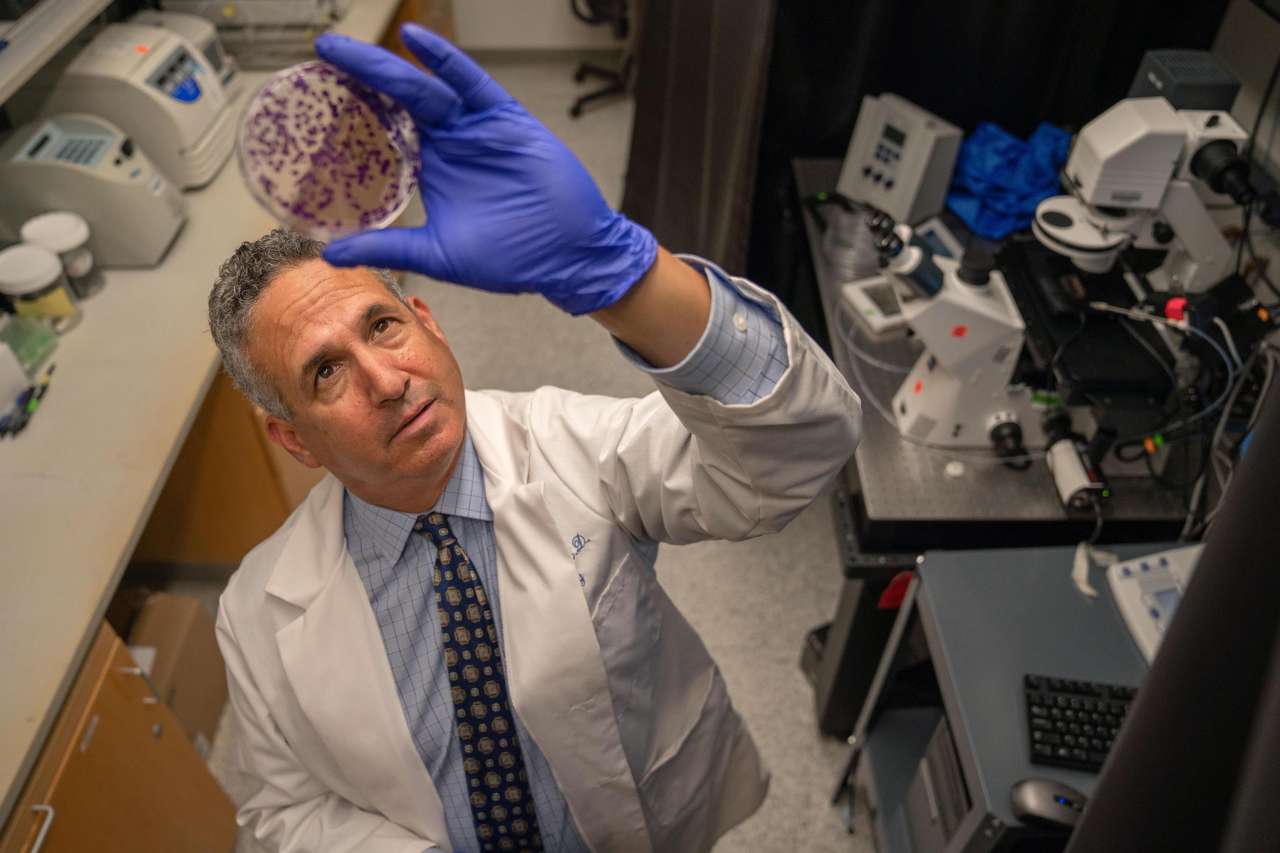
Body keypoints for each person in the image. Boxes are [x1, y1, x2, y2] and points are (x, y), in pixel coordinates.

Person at [210, 23, 861, 853]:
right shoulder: (255, 612)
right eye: (325, 374)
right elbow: (282, 811)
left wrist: (622, 273)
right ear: (294, 438)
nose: (384, 379)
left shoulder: (569, 442)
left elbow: (802, 447)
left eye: (383, 325)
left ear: (430, 324)